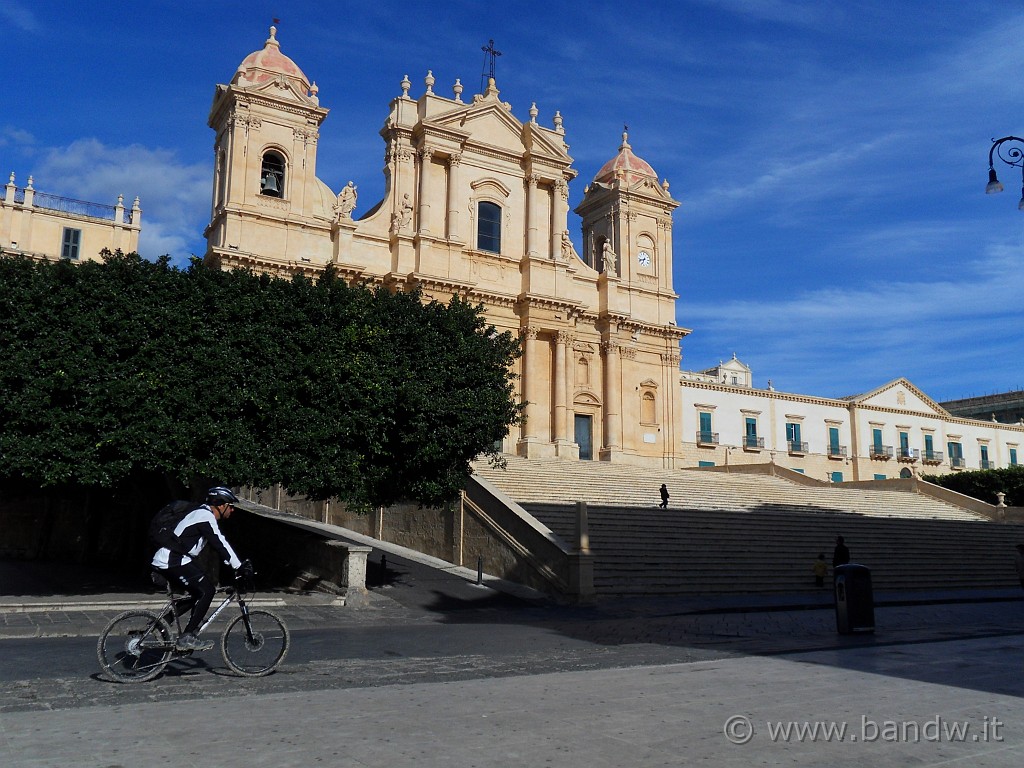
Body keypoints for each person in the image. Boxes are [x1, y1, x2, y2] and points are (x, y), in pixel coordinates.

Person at [151, 486, 246, 651]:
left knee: (198, 592)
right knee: (207, 590)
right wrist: (239, 566)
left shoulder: (201, 513)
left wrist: (230, 564)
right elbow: (219, 542)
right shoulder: (205, 516)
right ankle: (188, 636)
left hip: (174, 559)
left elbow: (218, 547)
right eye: (230, 506)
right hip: (172, 560)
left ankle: (162, 623)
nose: (232, 510)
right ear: (220, 505)